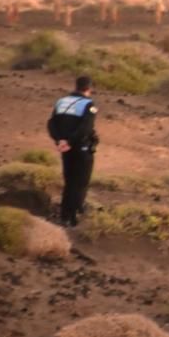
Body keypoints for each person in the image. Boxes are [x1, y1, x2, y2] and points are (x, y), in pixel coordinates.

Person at [47, 76, 98, 226]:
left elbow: (51, 123)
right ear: (89, 88)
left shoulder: (61, 102)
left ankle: (64, 215)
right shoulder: (88, 104)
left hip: (65, 148)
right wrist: (70, 141)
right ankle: (74, 217)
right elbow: (85, 128)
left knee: (69, 182)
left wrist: (60, 140)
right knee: (81, 182)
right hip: (81, 148)